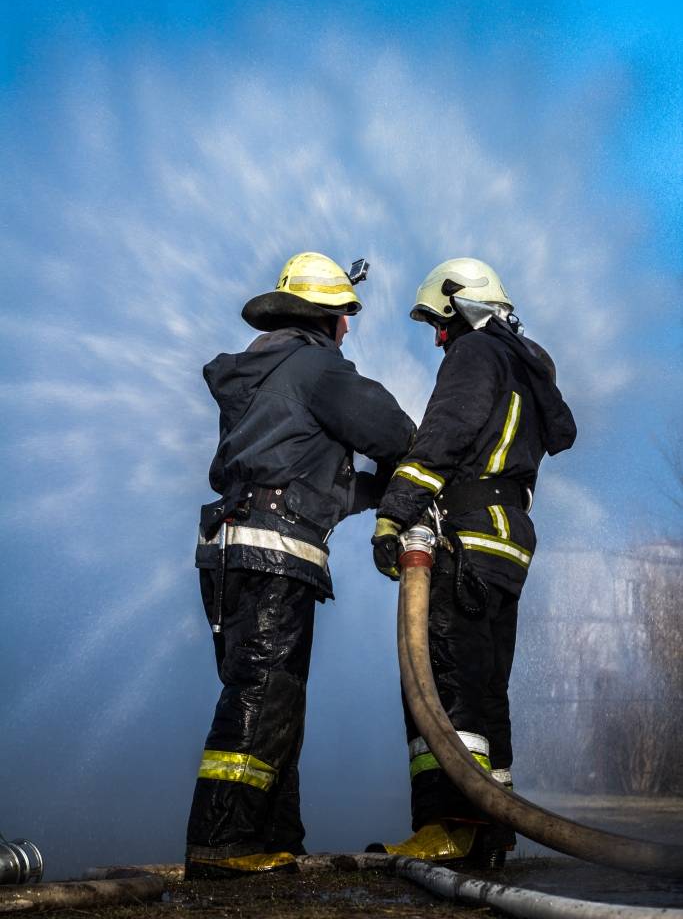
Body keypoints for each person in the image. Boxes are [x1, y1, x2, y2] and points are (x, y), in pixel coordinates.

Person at [185, 251, 415, 879]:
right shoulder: (319, 370)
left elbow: (298, 471)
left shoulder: (260, 376)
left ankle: (273, 839)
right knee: (263, 694)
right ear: (328, 318)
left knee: (272, 695)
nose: (348, 330)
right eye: (346, 316)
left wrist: (374, 496)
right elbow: (396, 433)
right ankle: (222, 843)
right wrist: (419, 480)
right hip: (278, 550)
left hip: (227, 551)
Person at [368, 257, 576, 868]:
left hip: (464, 534)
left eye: (442, 322)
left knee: (446, 684)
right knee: (485, 689)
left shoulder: (477, 354)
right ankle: (493, 825)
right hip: (508, 543)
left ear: (463, 306)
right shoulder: (527, 366)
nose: (438, 338)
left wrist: (396, 508)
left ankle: (450, 824)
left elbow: (448, 432)